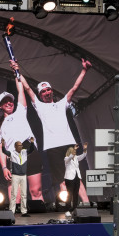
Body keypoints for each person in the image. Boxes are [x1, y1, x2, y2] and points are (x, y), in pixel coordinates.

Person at [22, 58, 90, 204]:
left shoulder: (62, 103)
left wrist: (84, 70)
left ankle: (86, 203)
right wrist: (17, 72)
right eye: (43, 91)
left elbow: (74, 88)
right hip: (52, 148)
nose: (46, 92)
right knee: (62, 180)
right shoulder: (39, 106)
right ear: (40, 95)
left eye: (48, 89)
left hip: (68, 145)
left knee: (76, 176)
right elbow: (27, 89)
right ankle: (68, 206)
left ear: (52, 91)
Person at [0, 63, 44, 207]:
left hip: (29, 151)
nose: (8, 103)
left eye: (10, 100)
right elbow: (0, 148)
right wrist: (4, 167)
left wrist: (17, 73)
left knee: (36, 191)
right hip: (14, 157)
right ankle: (16, 225)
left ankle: (42, 225)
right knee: (16, 195)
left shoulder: (20, 111)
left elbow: (21, 92)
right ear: (0, 106)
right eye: (4, 101)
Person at [5, 140, 30, 217]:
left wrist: (32, 143)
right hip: (15, 175)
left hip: (23, 175)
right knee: (14, 194)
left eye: (21, 145)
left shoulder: (24, 152)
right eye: (19, 145)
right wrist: (3, 145)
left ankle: (24, 211)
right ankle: (11, 211)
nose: (21, 147)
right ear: (15, 147)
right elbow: (4, 151)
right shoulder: (12, 153)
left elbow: (32, 149)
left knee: (24, 194)